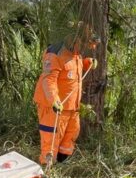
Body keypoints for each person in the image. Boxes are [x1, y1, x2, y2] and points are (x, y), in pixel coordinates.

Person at [33, 22, 97, 165]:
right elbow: (48, 79)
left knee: (71, 133)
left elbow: (71, 71)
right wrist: (54, 100)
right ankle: (46, 169)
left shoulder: (76, 53)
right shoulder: (55, 52)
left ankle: (61, 163)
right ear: (73, 38)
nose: (83, 48)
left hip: (71, 107)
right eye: (83, 44)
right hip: (53, 107)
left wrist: (87, 63)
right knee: (51, 138)